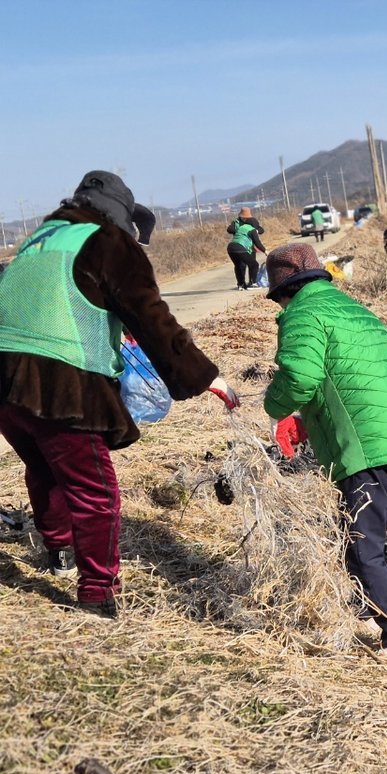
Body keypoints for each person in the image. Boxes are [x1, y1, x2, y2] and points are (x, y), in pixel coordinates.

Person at [0, 170, 239, 618]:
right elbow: (151, 316)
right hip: (60, 384)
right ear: (120, 215)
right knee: (96, 491)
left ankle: (59, 550)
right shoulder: (108, 240)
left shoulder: (42, 238)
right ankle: (97, 592)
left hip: (6, 381)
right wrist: (205, 376)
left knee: (44, 466)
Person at [262, 243, 387, 665]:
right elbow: (349, 380)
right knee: (354, 532)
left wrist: (274, 406)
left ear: (285, 291)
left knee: (361, 545)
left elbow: (300, 377)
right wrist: (309, 421)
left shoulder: (303, 314)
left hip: (366, 449)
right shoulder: (353, 310)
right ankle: (365, 610)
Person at [226, 207, 267, 291]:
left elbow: (261, 229)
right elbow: (230, 229)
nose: (244, 218)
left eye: (246, 217)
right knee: (241, 265)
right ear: (240, 216)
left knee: (251, 264)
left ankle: (249, 283)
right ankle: (244, 284)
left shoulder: (252, 221)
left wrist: (256, 231)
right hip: (241, 246)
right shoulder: (236, 222)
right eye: (243, 217)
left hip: (249, 247)